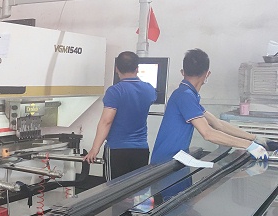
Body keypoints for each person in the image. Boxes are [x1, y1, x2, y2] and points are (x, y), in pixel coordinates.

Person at [150, 48, 268, 163]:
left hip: (174, 160)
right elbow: (208, 133)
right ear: (207, 74)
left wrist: (254, 138)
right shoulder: (184, 96)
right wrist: (249, 145)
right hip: (164, 164)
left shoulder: (187, 94)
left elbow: (218, 124)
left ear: (182, 72)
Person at [84, 51, 157, 179]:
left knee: (114, 189)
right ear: (137, 68)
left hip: (117, 149)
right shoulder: (149, 89)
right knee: (137, 187)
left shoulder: (115, 91)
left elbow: (106, 121)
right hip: (141, 149)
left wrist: (95, 149)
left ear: (116, 69)